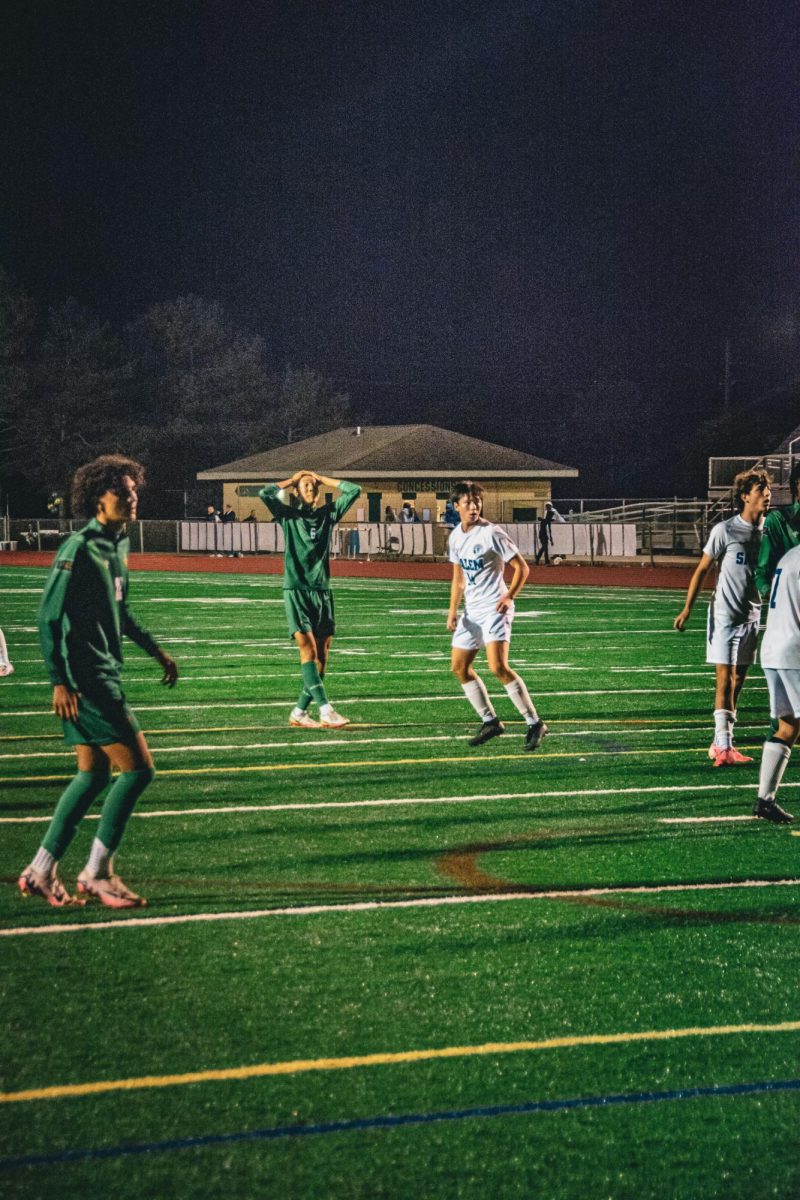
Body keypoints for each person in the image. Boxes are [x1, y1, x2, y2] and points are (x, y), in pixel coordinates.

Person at [18, 455, 178, 909]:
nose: (131, 498)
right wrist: (59, 681)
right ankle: (97, 872)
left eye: (133, 491)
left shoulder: (116, 544)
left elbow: (119, 612)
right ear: (96, 499)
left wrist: (155, 650)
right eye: (121, 492)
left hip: (103, 672)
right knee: (139, 770)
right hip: (88, 681)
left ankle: (41, 870)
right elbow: (47, 617)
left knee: (91, 776)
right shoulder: (79, 548)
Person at [674, 468, 771, 766]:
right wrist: (687, 607)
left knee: (739, 679)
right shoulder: (726, 530)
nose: (767, 495)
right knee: (724, 681)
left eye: (768, 490)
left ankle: (723, 740)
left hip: (752, 614)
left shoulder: (770, 530)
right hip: (725, 615)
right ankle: (724, 745)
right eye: (761, 491)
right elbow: (702, 569)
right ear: (745, 496)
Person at [447, 479, 547, 750]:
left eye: (477, 502)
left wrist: (508, 596)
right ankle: (490, 721)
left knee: (497, 667)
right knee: (459, 667)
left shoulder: (491, 533)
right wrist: (453, 610)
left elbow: (522, 568)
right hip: (472, 612)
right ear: (456, 506)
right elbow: (458, 579)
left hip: (495, 609)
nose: (473, 507)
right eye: (467, 503)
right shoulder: (455, 536)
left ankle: (534, 723)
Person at [259, 470, 361, 729]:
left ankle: (299, 712)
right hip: (296, 590)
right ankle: (326, 710)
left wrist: (321, 477)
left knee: (322, 657)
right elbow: (264, 493)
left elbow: (354, 490)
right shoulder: (288, 516)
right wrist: (293, 479)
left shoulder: (328, 514)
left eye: (313, 485)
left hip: (322, 591)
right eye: (305, 486)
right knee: (308, 650)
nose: (310, 488)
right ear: (296, 491)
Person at [751, 540, 799, 823]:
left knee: (788, 725)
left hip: (772, 649)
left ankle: (764, 800)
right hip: (794, 651)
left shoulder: (790, 555)